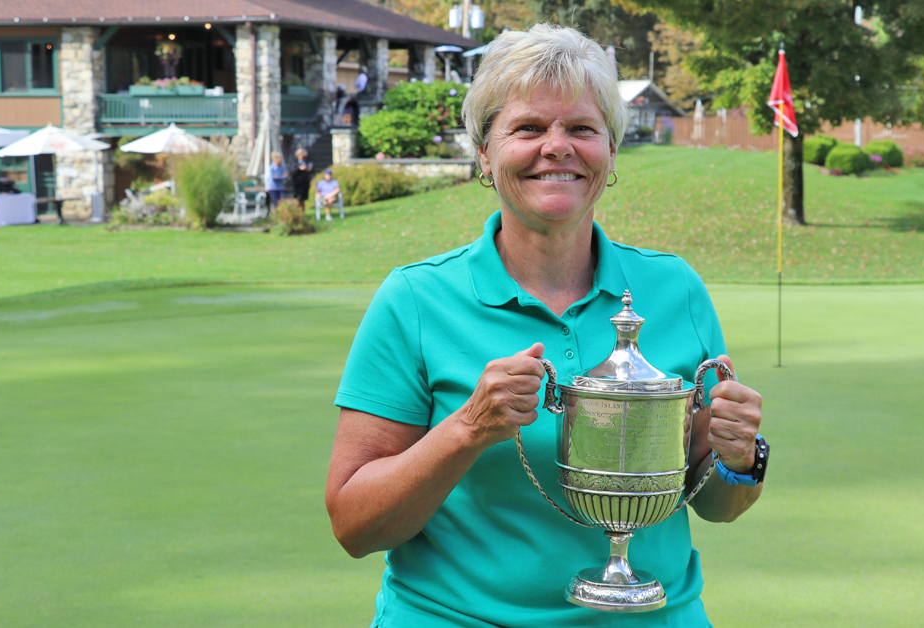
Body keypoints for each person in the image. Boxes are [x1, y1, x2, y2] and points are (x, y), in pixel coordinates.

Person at [326, 24, 765, 628]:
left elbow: (719, 504)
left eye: (582, 128)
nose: (557, 146)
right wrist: (466, 428)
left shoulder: (675, 288)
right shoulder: (416, 299)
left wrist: (736, 459)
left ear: (611, 151)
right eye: (529, 128)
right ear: (484, 152)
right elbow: (355, 525)